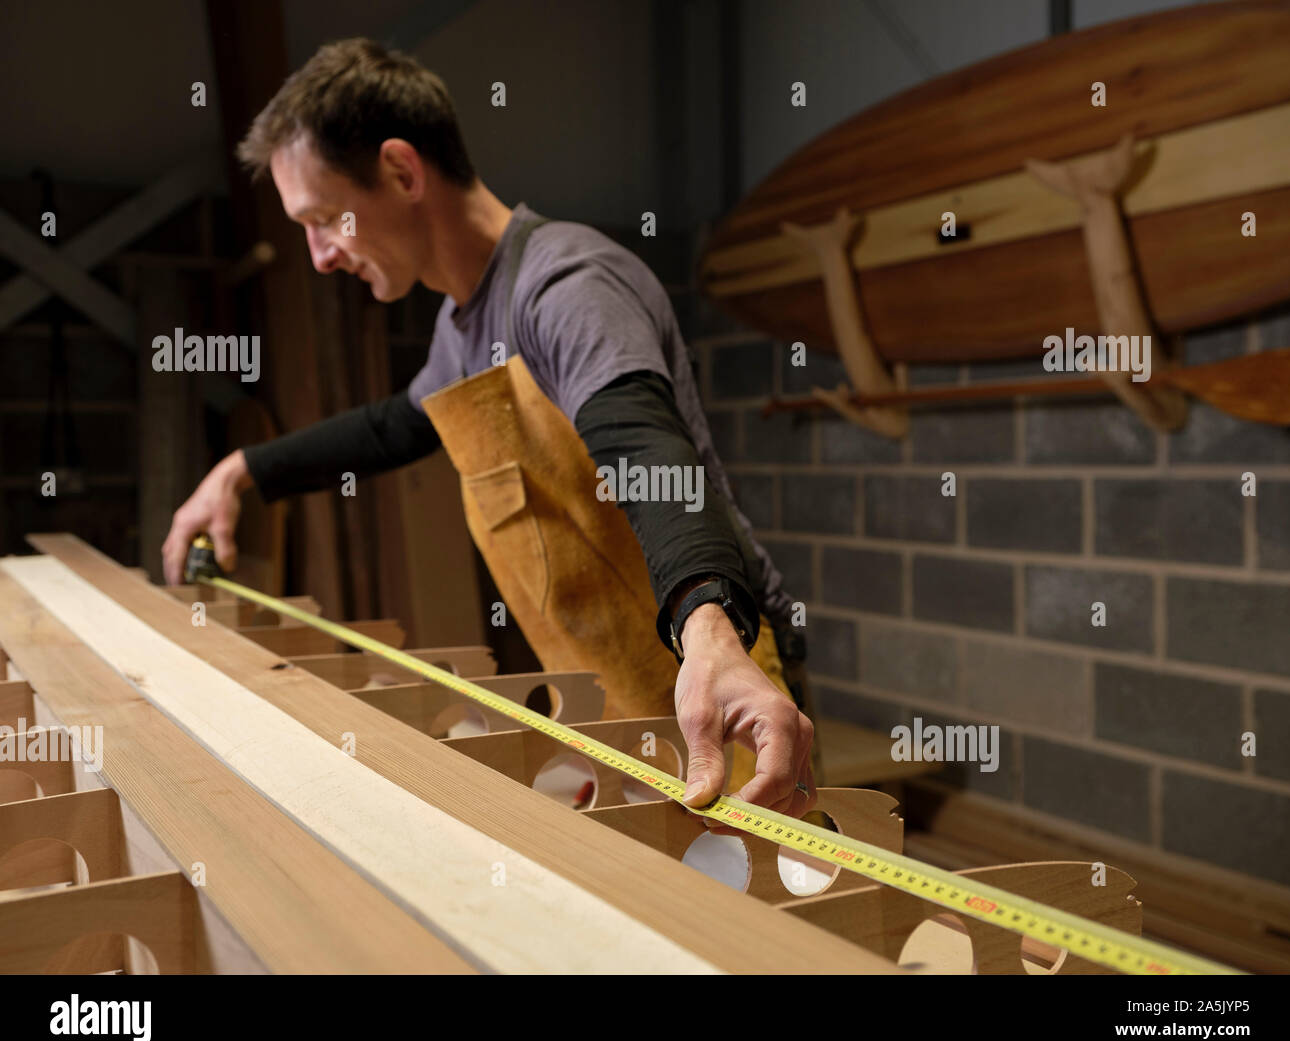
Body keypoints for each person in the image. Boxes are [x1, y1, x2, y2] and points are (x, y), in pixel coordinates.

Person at [161, 38, 815, 825]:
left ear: (402, 172)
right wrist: (239, 471)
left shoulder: (565, 287)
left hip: (719, 677)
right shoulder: (460, 325)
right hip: (628, 710)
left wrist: (710, 630)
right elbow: (393, 428)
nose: (320, 257)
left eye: (321, 220)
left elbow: (645, 453)